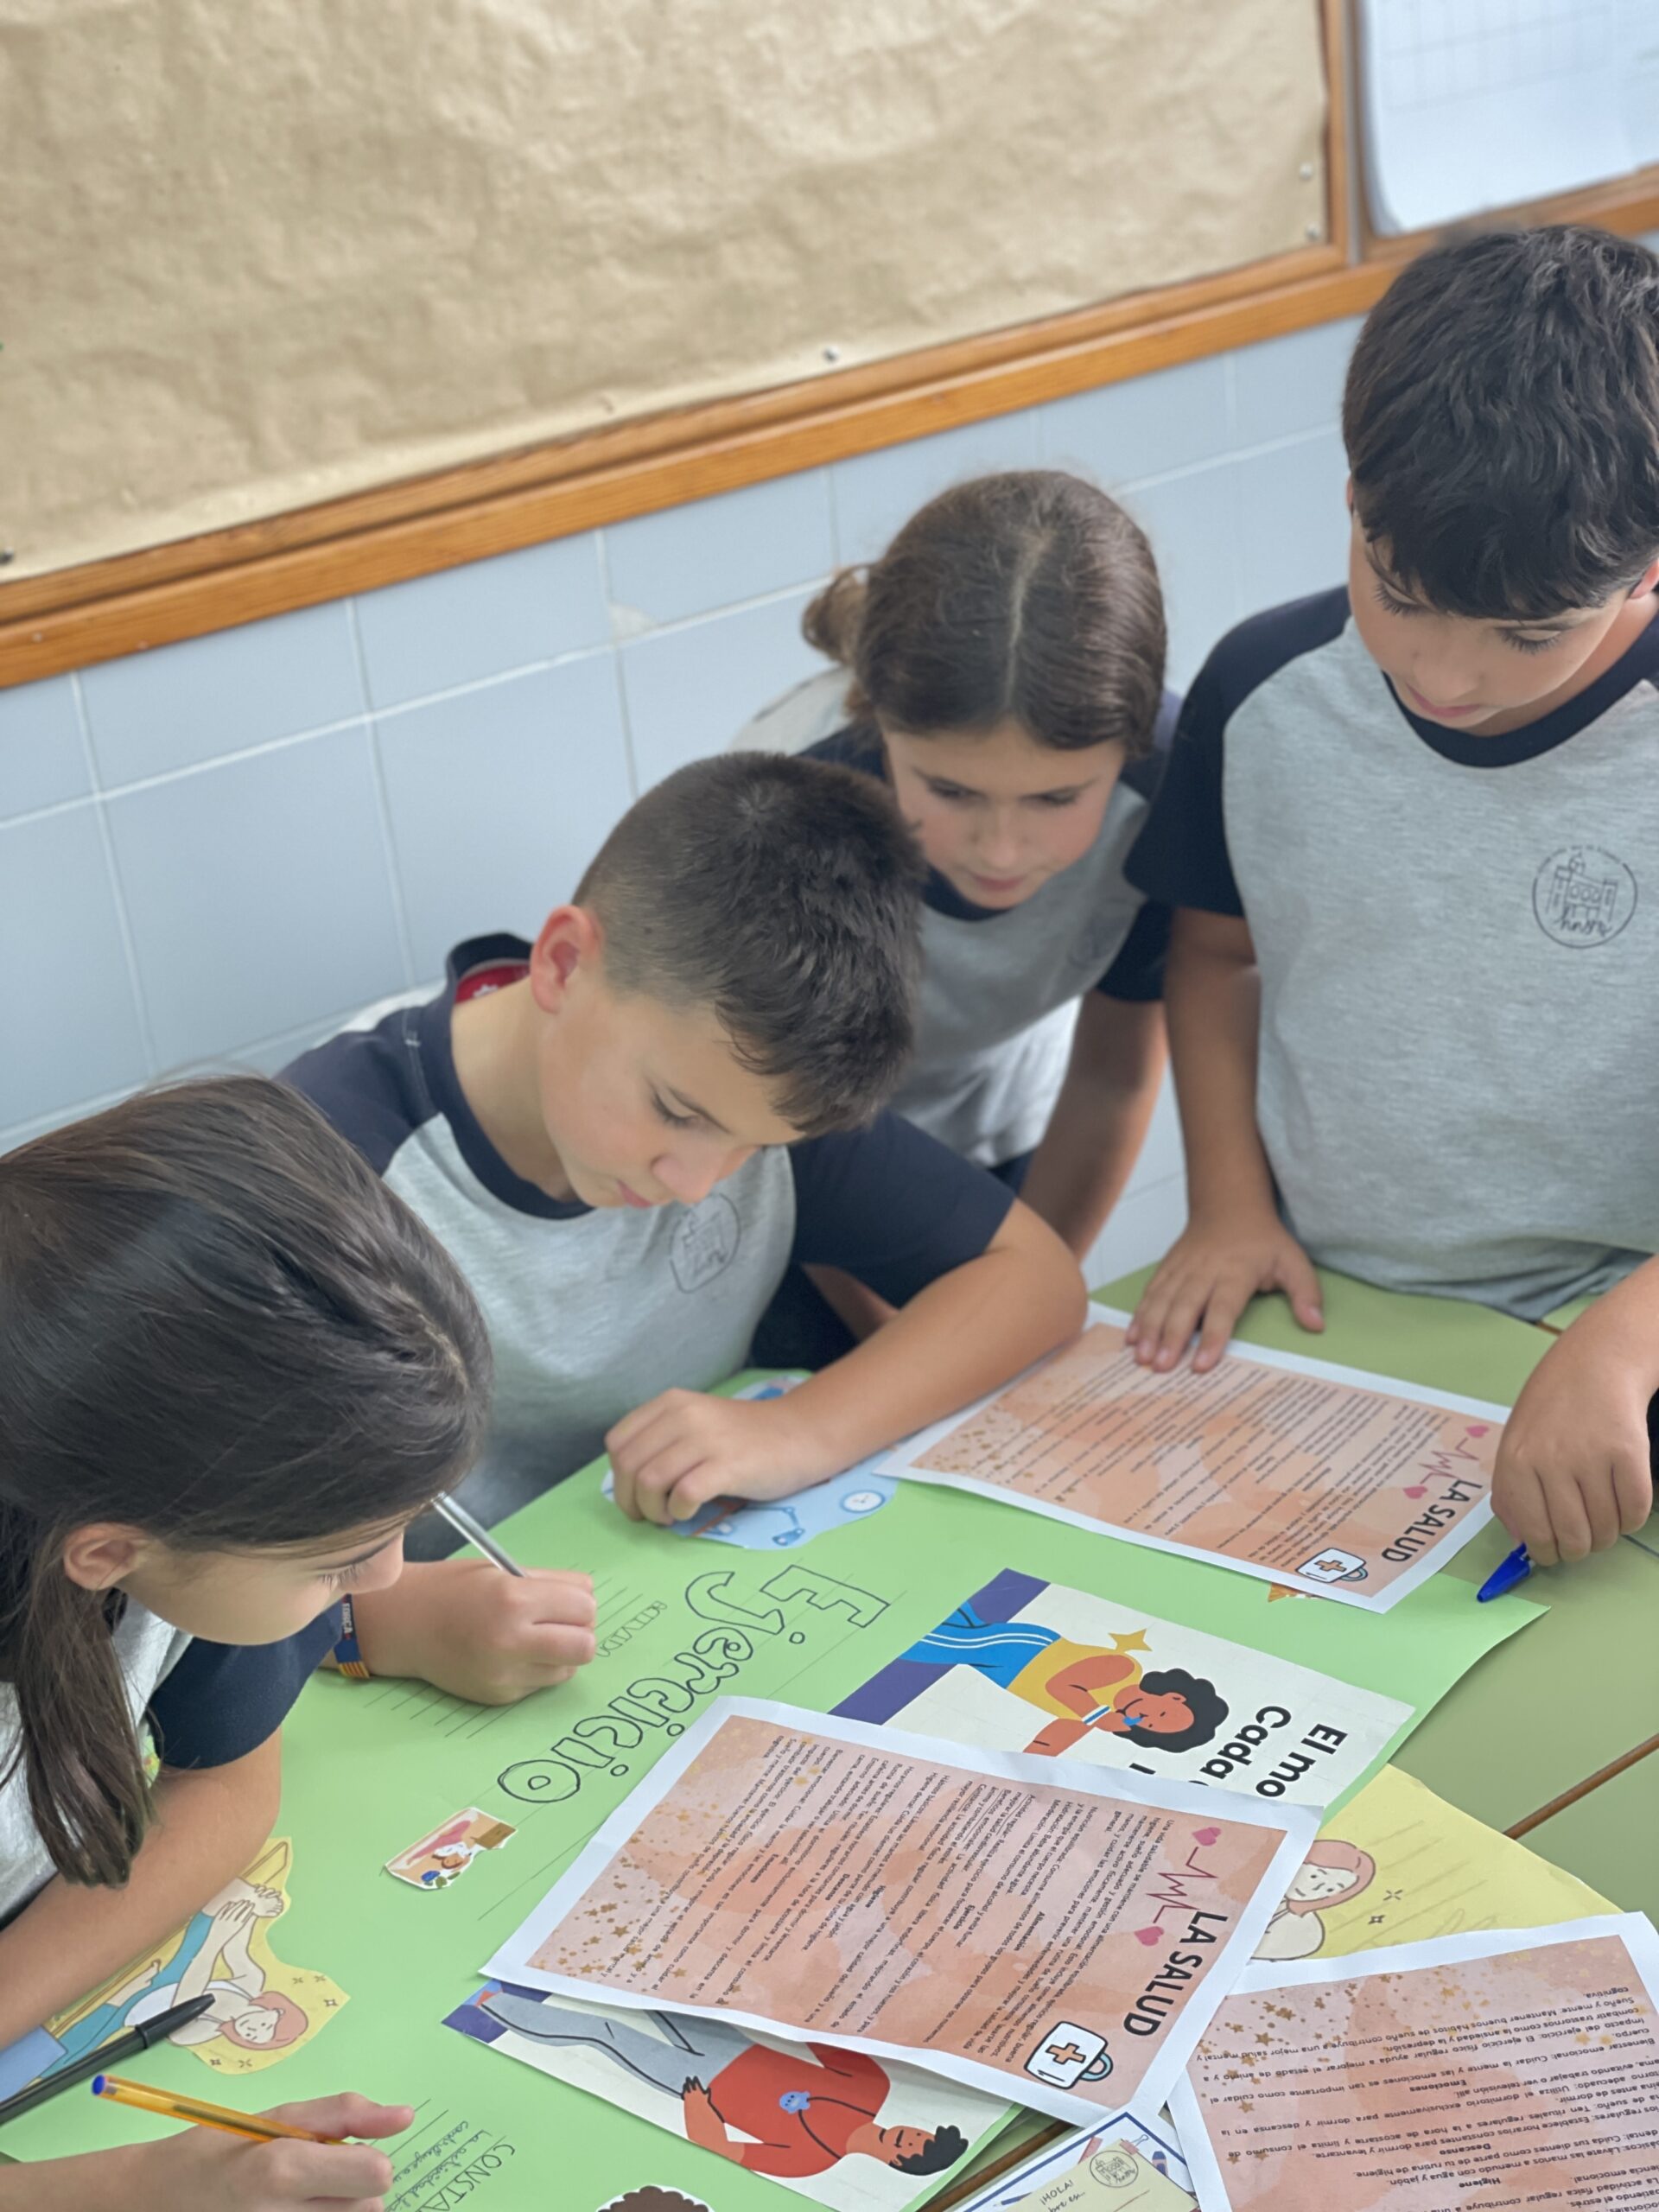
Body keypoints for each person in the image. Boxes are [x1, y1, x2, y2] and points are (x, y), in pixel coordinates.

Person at [1122, 226, 1659, 1567]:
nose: (1444, 675)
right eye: (1400, 594)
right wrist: (1227, 1202)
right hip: (1335, 1293)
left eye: (1528, 635)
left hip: (1622, 1312)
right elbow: (1217, 956)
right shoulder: (1260, 693)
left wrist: (1626, 1343)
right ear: (1355, 498)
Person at [286, 751, 1086, 1539]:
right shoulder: (323, 1167)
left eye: (753, 1147)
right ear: (564, 963)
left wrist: (802, 1430)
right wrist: (400, 1612)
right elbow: (223, 1551)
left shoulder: (754, 1094)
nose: (699, 1183)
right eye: (675, 1112)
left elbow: (1036, 1278)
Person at [0, 1075, 499, 2207]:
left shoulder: (168, 1469)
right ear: (106, 1551)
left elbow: (226, 1785)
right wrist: (132, 2189)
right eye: (341, 1557)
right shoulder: (170, 1483)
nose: (386, 1578)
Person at [734, 472, 1176, 1361]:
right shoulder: (788, 816)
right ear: (882, 724)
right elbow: (780, 1127)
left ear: (1129, 748)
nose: (1001, 851)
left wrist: (1025, 1304)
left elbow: (1115, 1077)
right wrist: (922, 1349)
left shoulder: (1171, 785)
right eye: (951, 791)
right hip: (785, 1163)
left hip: (1001, 1122)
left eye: (1057, 798)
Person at [467, 1991, 967, 2183]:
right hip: (732, 2046)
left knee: (606, 2033)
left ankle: (490, 2004)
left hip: (696, 2086)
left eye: (915, 2150)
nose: (911, 2139)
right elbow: (818, 2033)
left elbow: (718, 2145)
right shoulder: (871, 2088)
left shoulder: (810, 2163)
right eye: (922, 2136)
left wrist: (698, 2107)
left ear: (897, 2164)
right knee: (650, 1998)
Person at [899, 1602, 1226, 1756]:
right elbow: (1061, 1685)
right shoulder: (1124, 1669)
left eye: (1152, 1725)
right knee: (929, 1645)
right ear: (1173, 1696)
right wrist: (1097, 1717)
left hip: (1003, 1670)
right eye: (1163, 1713)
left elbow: (1050, 1743)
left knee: (956, 1624)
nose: (1149, 1718)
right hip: (1025, 1650)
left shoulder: (1088, 1716)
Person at [1253, 1840, 1376, 1963]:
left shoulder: (1306, 1932)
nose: (1315, 1888)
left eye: (1330, 1889)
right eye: (1314, 1876)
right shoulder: (1260, 1886)